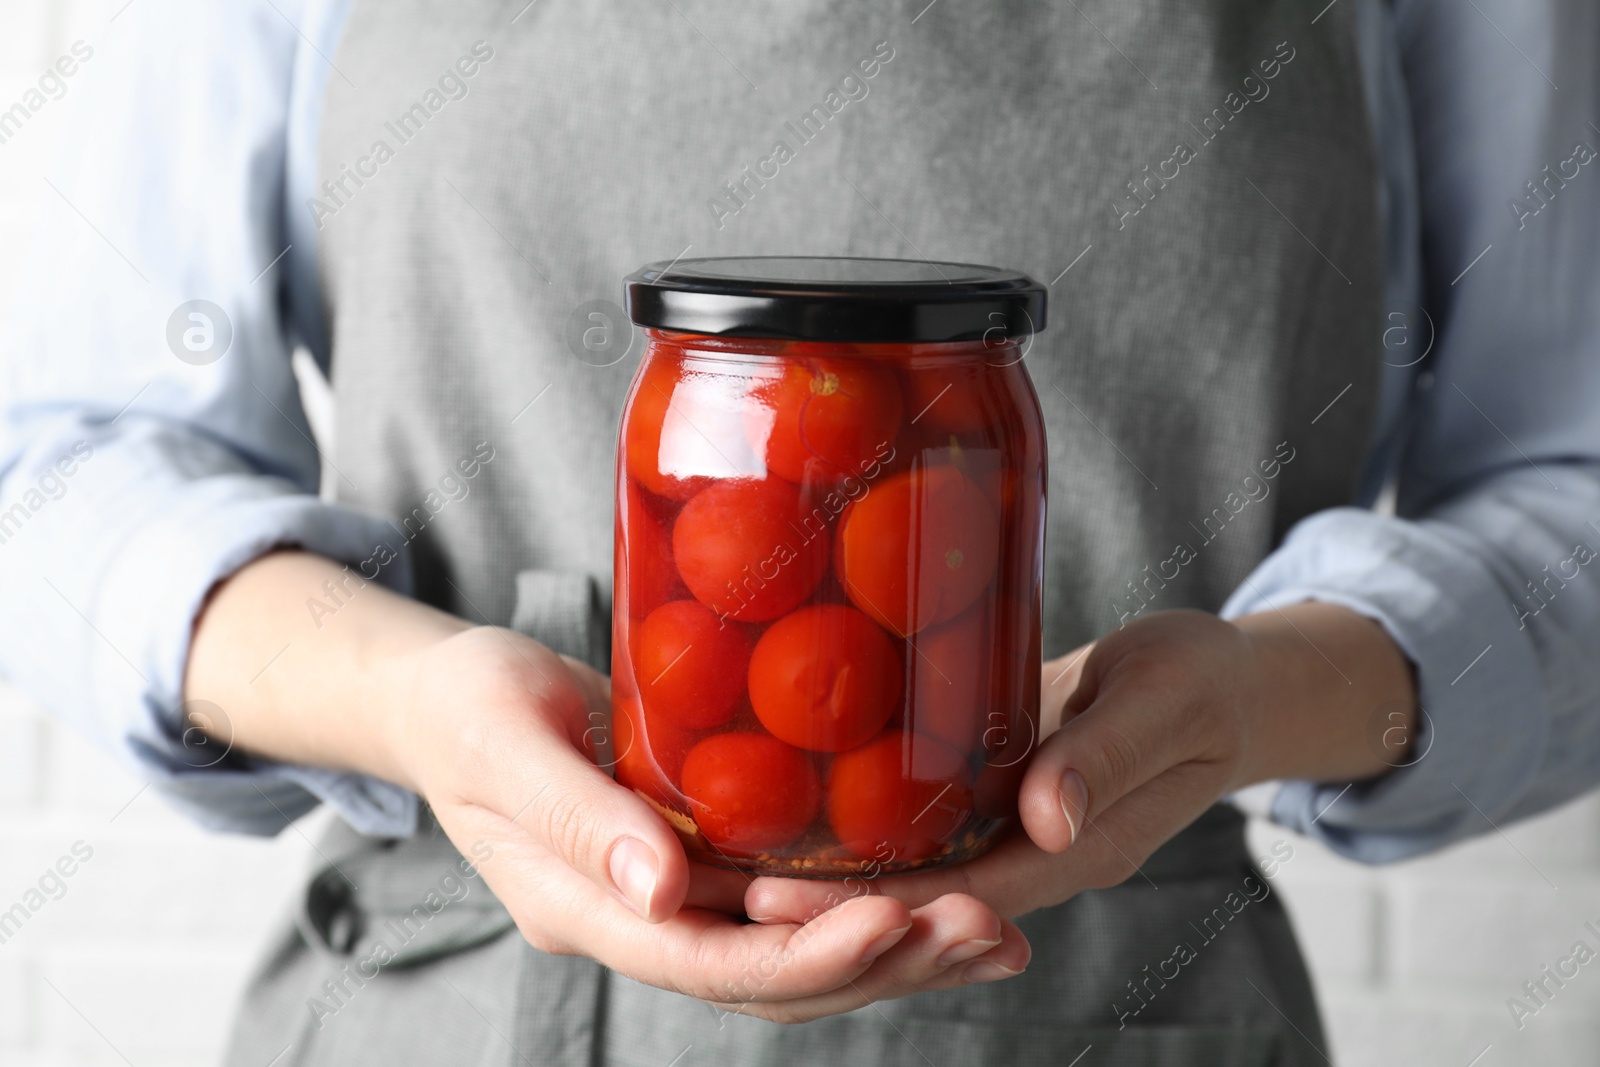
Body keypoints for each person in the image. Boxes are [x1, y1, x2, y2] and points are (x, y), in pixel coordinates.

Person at [3, 0, 1598, 1063]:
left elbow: (1572, 484)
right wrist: (403, 699)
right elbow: (63, 462)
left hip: (1138, 1003)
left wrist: (1273, 693)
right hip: (437, 1010)